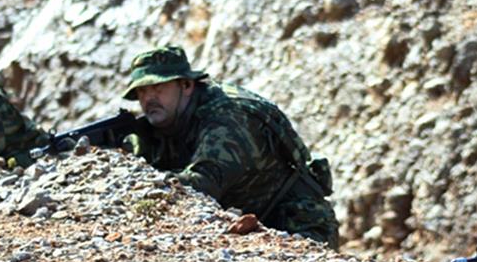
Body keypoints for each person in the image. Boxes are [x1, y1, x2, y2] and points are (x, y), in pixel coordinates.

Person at [120, 45, 338, 247]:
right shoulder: (164, 122)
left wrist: (139, 182)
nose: (148, 98)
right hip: (247, 230)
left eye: (157, 87)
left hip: (297, 226)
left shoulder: (227, 116)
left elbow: (203, 184)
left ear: (186, 85)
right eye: (141, 91)